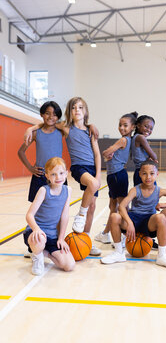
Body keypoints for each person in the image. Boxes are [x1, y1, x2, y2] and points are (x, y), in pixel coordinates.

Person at [24, 97, 101, 256]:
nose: (77, 110)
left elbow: (97, 154)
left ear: (85, 111)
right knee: (41, 207)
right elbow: (47, 122)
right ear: (69, 112)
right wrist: (30, 128)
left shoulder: (90, 129)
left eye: (80, 107)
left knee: (92, 206)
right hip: (79, 167)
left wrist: (99, 174)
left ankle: (85, 240)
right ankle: (79, 215)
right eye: (74, 108)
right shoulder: (66, 128)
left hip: (93, 168)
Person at [100, 160, 166, 270]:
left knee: (161, 217)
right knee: (114, 216)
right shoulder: (135, 190)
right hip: (134, 218)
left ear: (157, 174)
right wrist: (129, 223)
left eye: (152, 173)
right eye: (144, 173)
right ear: (139, 174)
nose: (148, 177)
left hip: (148, 222)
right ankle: (119, 253)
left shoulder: (159, 191)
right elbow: (122, 206)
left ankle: (162, 256)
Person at [24, 157, 75, 276]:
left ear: (66, 173)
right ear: (47, 176)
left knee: (69, 265)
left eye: (61, 173)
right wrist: (36, 229)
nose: (58, 177)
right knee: (40, 238)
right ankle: (37, 257)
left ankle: (41, 252)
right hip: (35, 232)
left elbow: (64, 215)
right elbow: (29, 215)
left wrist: (61, 238)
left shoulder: (68, 190)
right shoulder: (43, 190)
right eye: (53, 174)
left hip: (52, 235)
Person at [95, 112, 137, 245]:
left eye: (125, 125)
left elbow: (105, 153)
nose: (122, 128)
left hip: (118, 175)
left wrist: (107, 153)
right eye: (120, 125)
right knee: (112, 205)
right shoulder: (125, 140)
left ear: (133, 127)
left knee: (122, 206)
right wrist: (109, 154)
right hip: (113, 176)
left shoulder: (123, 140)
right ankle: (106, 234)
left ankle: (124, 235)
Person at [18, 101, 65, 203]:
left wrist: (31, 127)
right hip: (40, 175)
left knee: (59, 205)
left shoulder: (61, 130)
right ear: (42, 114)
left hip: (58, 175)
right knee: (37, 206)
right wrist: (30, 168)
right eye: (47, 113)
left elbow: (73, 123)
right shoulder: (35, 133)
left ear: (58, 117)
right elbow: (21, 152)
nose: (51, 117)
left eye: (55, 115)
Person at [131, 115, 158, 186]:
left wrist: (149, 159)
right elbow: (154, 156)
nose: (148, 130)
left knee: (141, 195)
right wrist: (152, 158)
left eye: (151, 128)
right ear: (138, 125)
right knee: (152, 194)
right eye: (146, 126)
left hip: (139, 171)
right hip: (145, 171)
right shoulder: (141, 137)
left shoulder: (135, 137)